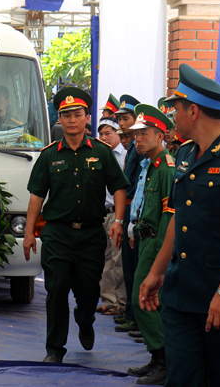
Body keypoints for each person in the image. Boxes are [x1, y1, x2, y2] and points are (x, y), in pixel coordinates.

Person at [140, 64, 220, 387]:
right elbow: (179, 216)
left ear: (193, 111)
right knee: (181, 379)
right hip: (181, 291)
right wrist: (156, 273)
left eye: (175, 109)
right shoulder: (185, 154)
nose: (172, 118)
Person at [23, 87, 129, 363]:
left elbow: (119, 188)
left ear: (86, 118)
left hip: (92, 233)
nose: (72, 120)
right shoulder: (48, 155)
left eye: (77, 114)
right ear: (59, 119)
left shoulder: (102, 153)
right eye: (66, 115)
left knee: (88, 289)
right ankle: (54, 349)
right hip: (57, 233)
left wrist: (118, 220)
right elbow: (36, 194)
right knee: (56, 289)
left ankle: (85, 319)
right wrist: (28, 232)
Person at [120, 103, 176, 384]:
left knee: (143, 300)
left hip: (156, 243)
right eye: (137, 134)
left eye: (145, 133)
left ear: (161, 135)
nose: (138, 138)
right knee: (145, 300)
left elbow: (170, 214)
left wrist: (159, 252)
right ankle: (157, 357)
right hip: (144, 238)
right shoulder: (149, 166)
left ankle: (164, 359)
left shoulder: (165, 168)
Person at [114, 94, 142, 333]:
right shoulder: (131, 147)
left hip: (136, 210)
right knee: (128, 266)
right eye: (119, 119)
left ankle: (137, 318)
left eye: (125, 118)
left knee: (135, 266)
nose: (121, 123)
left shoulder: (140, 148)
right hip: (129, 209)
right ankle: (131, 313)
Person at [96, 118, 127, 316]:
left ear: (117, 133)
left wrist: (120, 219)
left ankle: (121, 303)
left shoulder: (125, 155)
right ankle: (108, 300)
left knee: (118, 259)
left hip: (117, 213)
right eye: (101, 134)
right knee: (104, 259)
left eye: (109, 133)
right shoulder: (99, 155)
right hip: (102, 213)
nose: (105, 137)